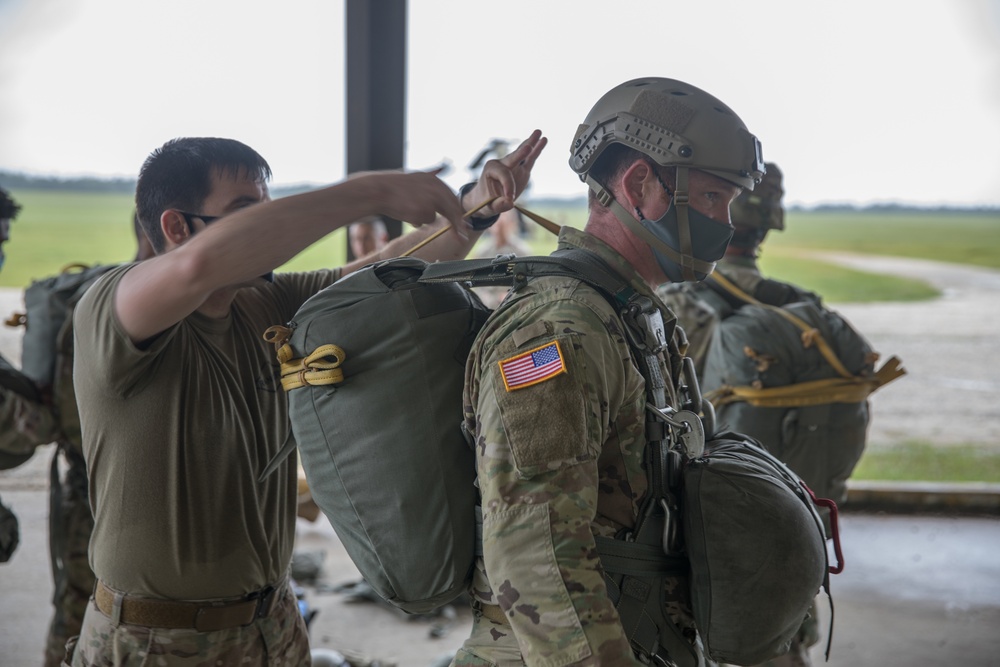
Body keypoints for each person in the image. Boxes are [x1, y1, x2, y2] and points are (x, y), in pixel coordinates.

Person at [69, 132, 546, 666]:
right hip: (157, 641)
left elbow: (387, 272)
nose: (269, 233)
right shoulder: (112, 308)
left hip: (272, 626)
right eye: (246, 213)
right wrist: (371, 192)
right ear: (176, 227)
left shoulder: (264, 302)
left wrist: (473, 209)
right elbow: (194, 268)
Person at [452, 78, 763, 666]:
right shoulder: (561, 330)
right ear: (641, 185)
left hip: (638, 634)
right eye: (714, 198)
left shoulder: (629, 311)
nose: (728, 223)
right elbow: (536, 553)